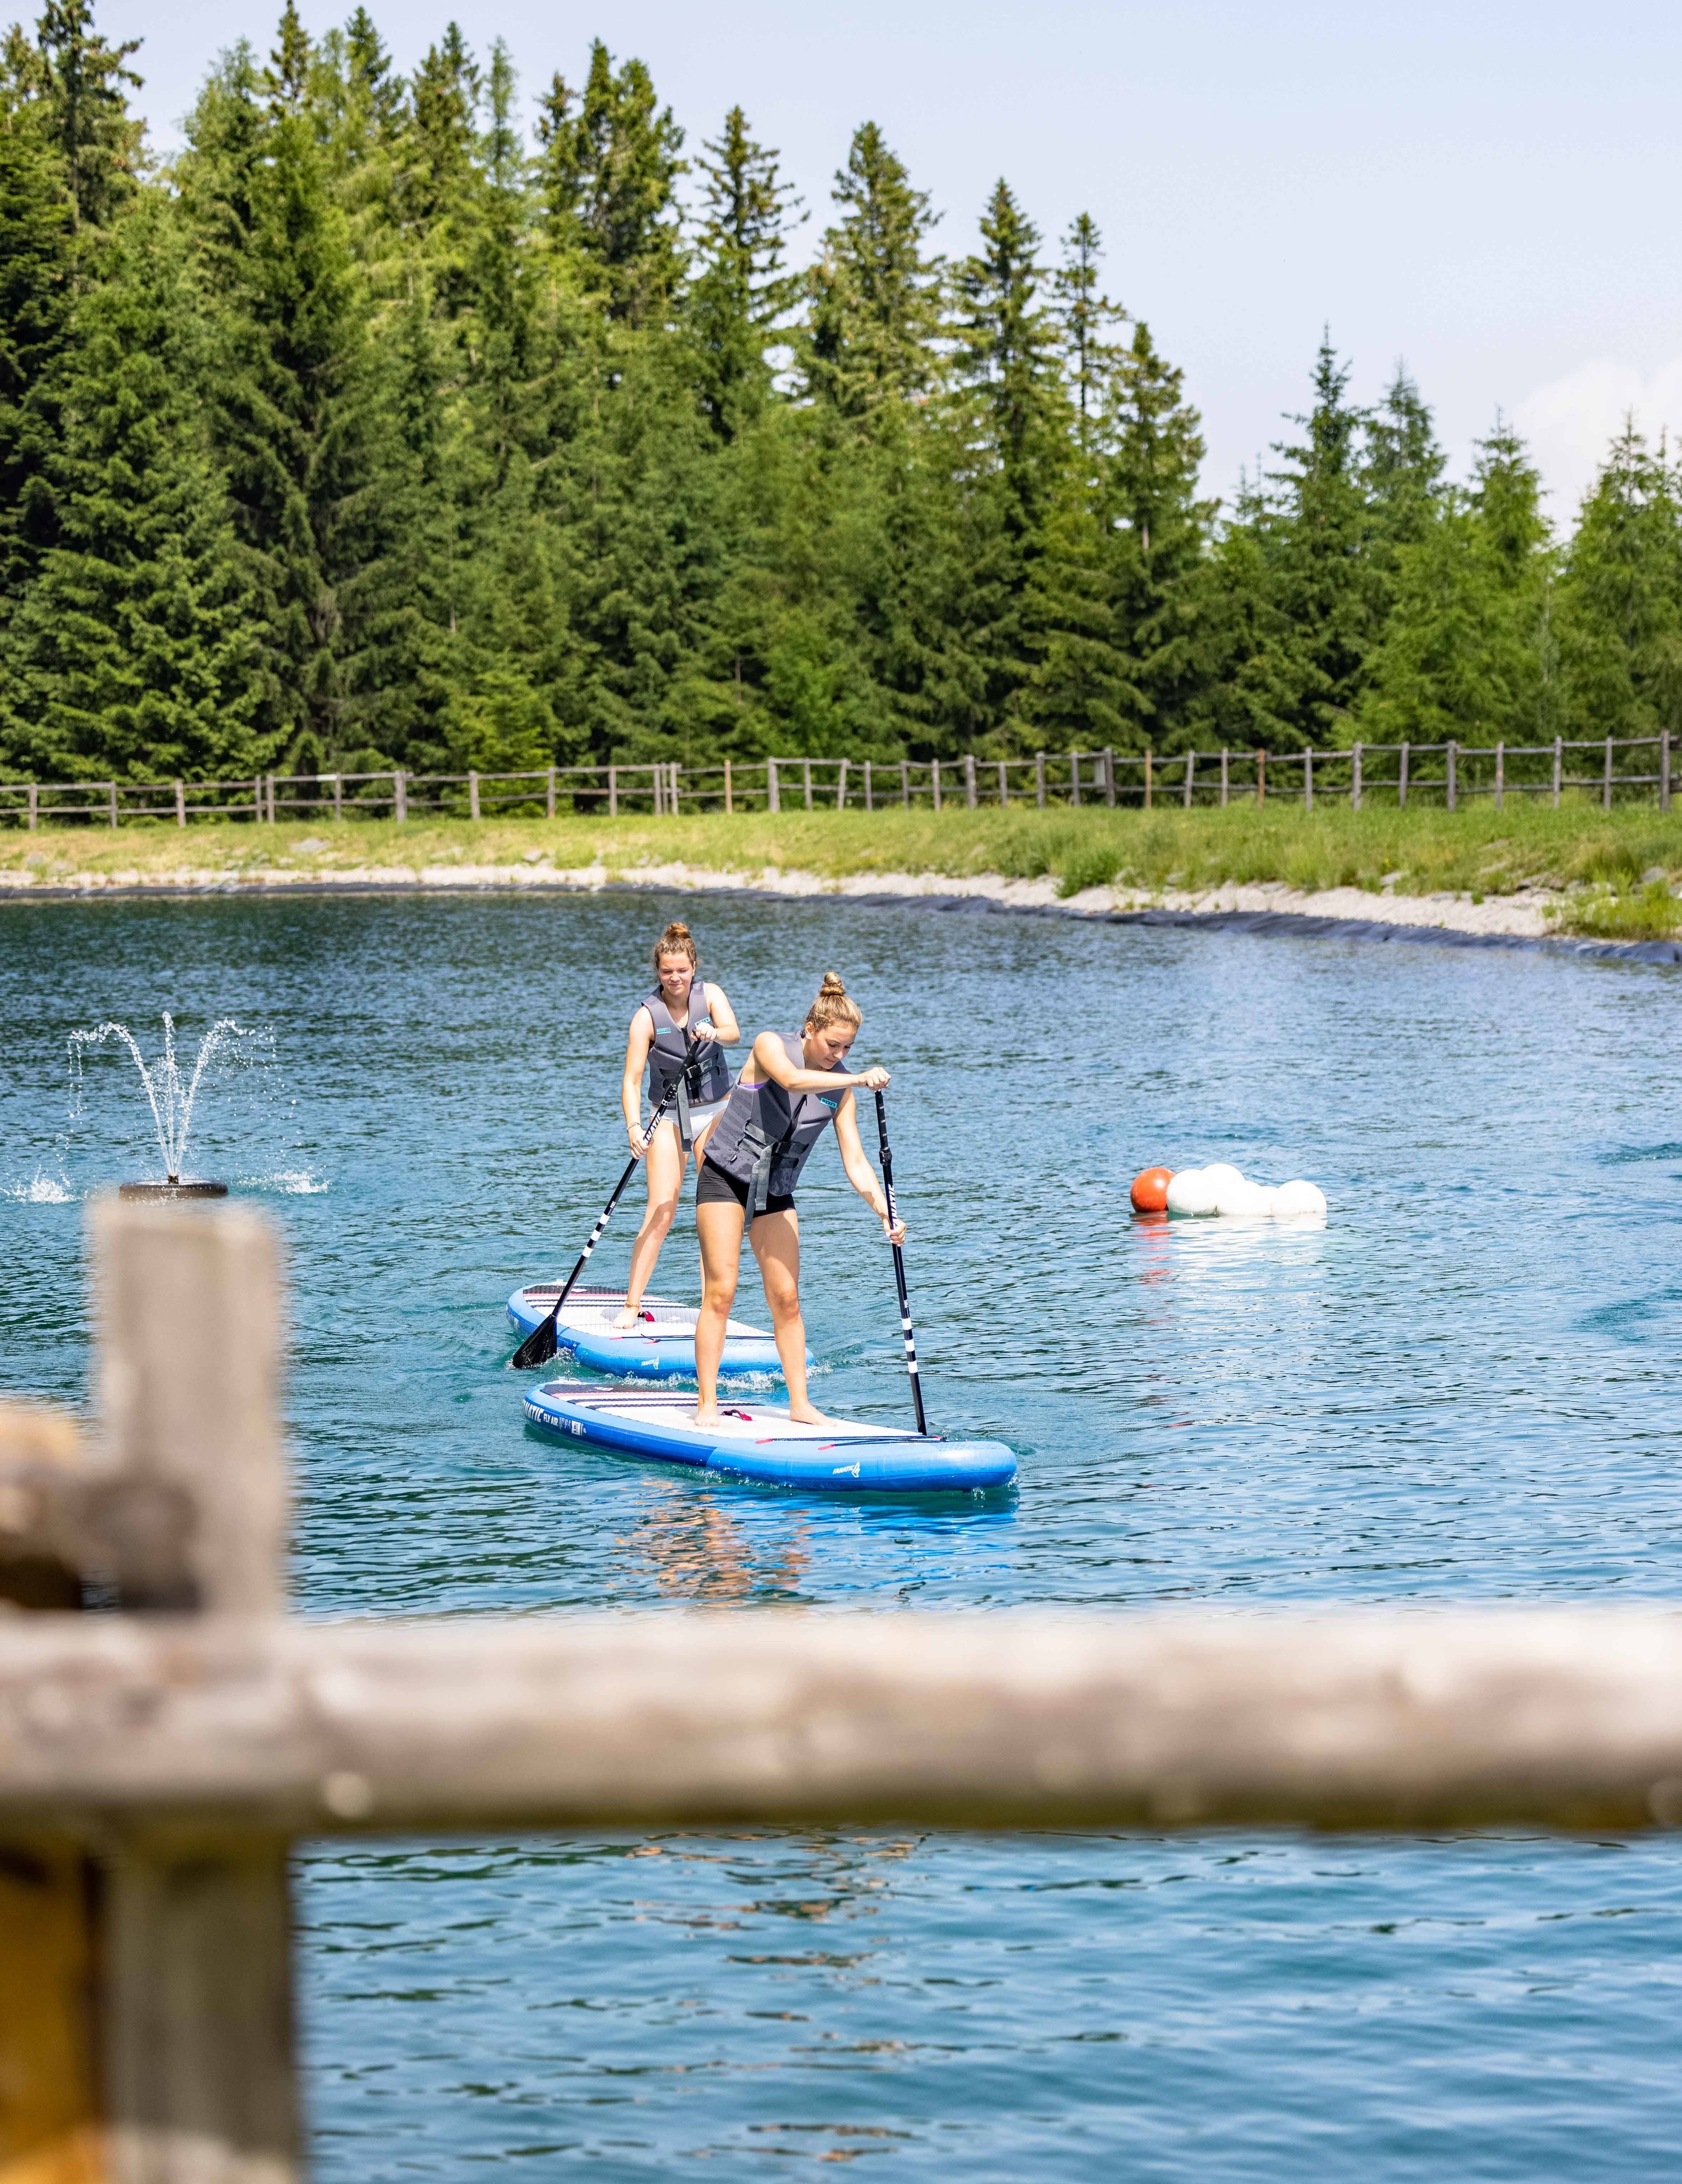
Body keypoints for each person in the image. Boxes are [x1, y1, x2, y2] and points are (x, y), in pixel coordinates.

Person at [693, 972, 903, 1426]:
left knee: (787, 1298)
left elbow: (857, 1163)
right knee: (722, 1292)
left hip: (776, 1189)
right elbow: (789, 1080)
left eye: (848, 1049)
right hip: (725, 1178)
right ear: (810, 1028)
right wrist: (862, 1077)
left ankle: (800, 1405)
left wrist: (885, 1210)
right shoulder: (771, 1045)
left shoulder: (840, 1088)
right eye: (833, 1045)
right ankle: (707, 1404)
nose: (840, 1056)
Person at [616, 921, 740, 1330]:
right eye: (668, 971)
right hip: (666, 1116)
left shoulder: (712, 996)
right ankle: (632, 1304)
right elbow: (633, 1079)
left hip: (715, 1111)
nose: (675, 978)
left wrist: (714, 1032)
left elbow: (736, 1034)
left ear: (693, 967)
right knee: (662, 1208)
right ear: (658, 971)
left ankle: (712, 1307)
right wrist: (635, 1127)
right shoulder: (646, 1017)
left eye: (682, 970)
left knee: (713, 1209)